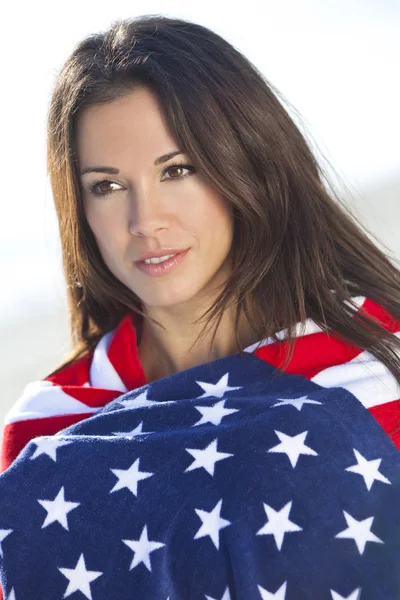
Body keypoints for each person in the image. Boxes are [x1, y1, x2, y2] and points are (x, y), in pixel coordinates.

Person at [0, 13, 399, 600]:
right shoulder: (51, 422)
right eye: (107, 186)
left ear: (248, 166)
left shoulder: (372, 370)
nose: (145, 221)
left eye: (178, 170)